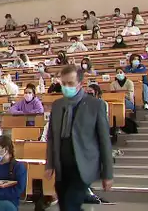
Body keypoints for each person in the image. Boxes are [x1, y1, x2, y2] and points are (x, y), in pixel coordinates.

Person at [45, 65, 114, 211]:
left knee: (70, 205)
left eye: (70, 83)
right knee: (65, 206)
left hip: (83, 167)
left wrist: (107, 174)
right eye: (63, 84)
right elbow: (51, 137)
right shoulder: (57, 105)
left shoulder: (96, 105)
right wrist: (49, 164)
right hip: (62, 167)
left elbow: (104, 142)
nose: (66, 87)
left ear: (80, 84)